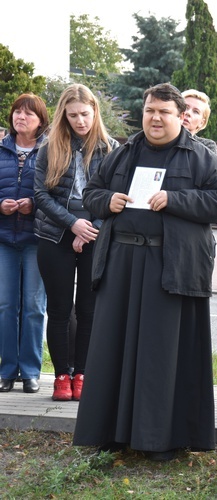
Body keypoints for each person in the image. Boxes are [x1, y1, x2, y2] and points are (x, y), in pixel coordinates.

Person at [72, 83, 217, 461]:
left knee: (161, 355)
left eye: (164, 111)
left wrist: (176, 199)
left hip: (170, 269)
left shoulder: (199, 157)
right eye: (150, 110)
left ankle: (160, 440)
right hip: (122, 266)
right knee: (114, 349)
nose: (155, 118)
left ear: (181, 116)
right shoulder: (124, 152)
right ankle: (110, 434)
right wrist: (105, 200)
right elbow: (91, 192)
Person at [34, 83, 120, 402]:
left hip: (95, 237)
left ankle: (81, 373)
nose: (80, 121)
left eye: (85, 114)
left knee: (88, 309)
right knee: (58, 310)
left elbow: (114, 198)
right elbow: (40, 195)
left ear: (95, 111)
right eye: (73, 116)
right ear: (64, 115)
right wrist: (73, 224)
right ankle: (60, 377)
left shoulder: (110, 148)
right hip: (54, 235)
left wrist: (91, 228)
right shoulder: (49, 146)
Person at [0, 93, 49, 394]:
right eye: (17, 112)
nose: (21, 117)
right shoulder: (0, 149)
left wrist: (34, 205)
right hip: (4, 239)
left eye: (29, 114)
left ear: (41, 121)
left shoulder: (50, 151)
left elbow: (57, 191)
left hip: (36, 239)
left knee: (33, 306)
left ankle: (30, 371)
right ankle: (7, 370)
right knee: (5, 306)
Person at [181, 89, 217, 155]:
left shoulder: (207, 146)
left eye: (196, 112)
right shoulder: (161, 139)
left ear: (202, 123)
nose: (188, 113)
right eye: (185, 107)